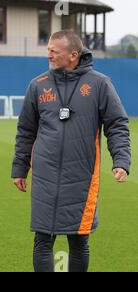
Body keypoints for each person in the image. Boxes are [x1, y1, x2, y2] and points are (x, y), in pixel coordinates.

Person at [12, 30, 131, 272]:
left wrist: (121, 160)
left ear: (73, 55)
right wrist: (20, 168)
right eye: (48, 50)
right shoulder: (37, 85)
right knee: (43, 238)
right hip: (44, 176)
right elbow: (26, 130)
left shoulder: (99, 84)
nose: (48, 55)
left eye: (54, 51)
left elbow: (117, 124)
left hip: (82, 176)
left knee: (79, 239)